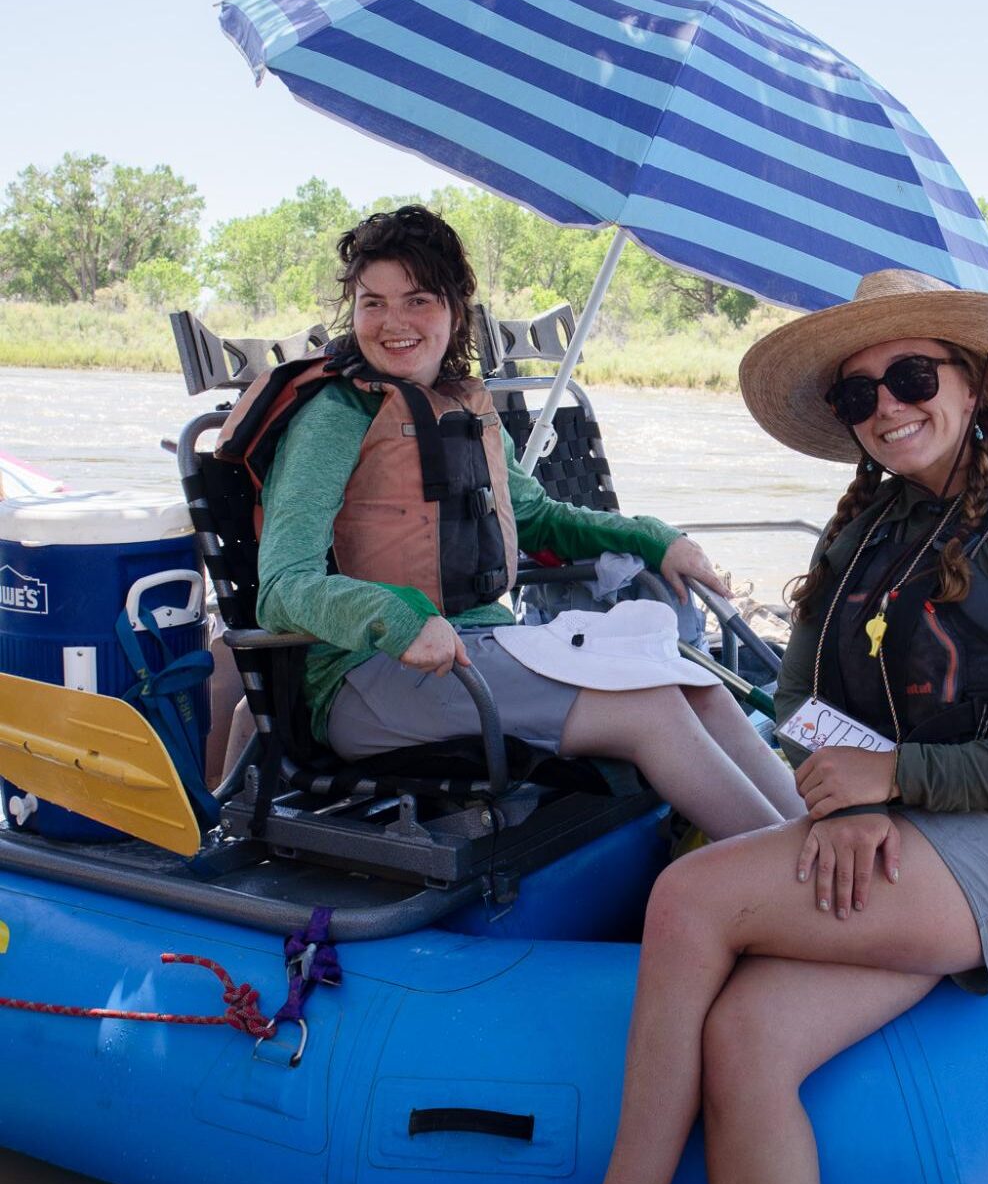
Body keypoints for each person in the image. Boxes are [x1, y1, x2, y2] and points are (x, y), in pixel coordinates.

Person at [464, 267, 988, 1184]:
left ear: (970, 384)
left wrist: (895, 781)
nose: (887, 405)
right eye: (858, 391)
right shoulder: (861, 528)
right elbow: (795, 706)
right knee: (749, 1040)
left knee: (688, 900)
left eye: (913, 375)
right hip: (888, 833)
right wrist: (845, 798)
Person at [248, 206, 801, 839]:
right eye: (373, 303)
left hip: (481, 652)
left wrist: (653, 538)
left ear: (456, 308)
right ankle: (789, 886)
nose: (393, 323)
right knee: (652, 709)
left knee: (697, 683)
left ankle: (819, 850)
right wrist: (398, 620)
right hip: (370, 679)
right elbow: (281, 588)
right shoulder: (333, 417)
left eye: (418, 299)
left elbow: (535, 516)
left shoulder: (461, 404)